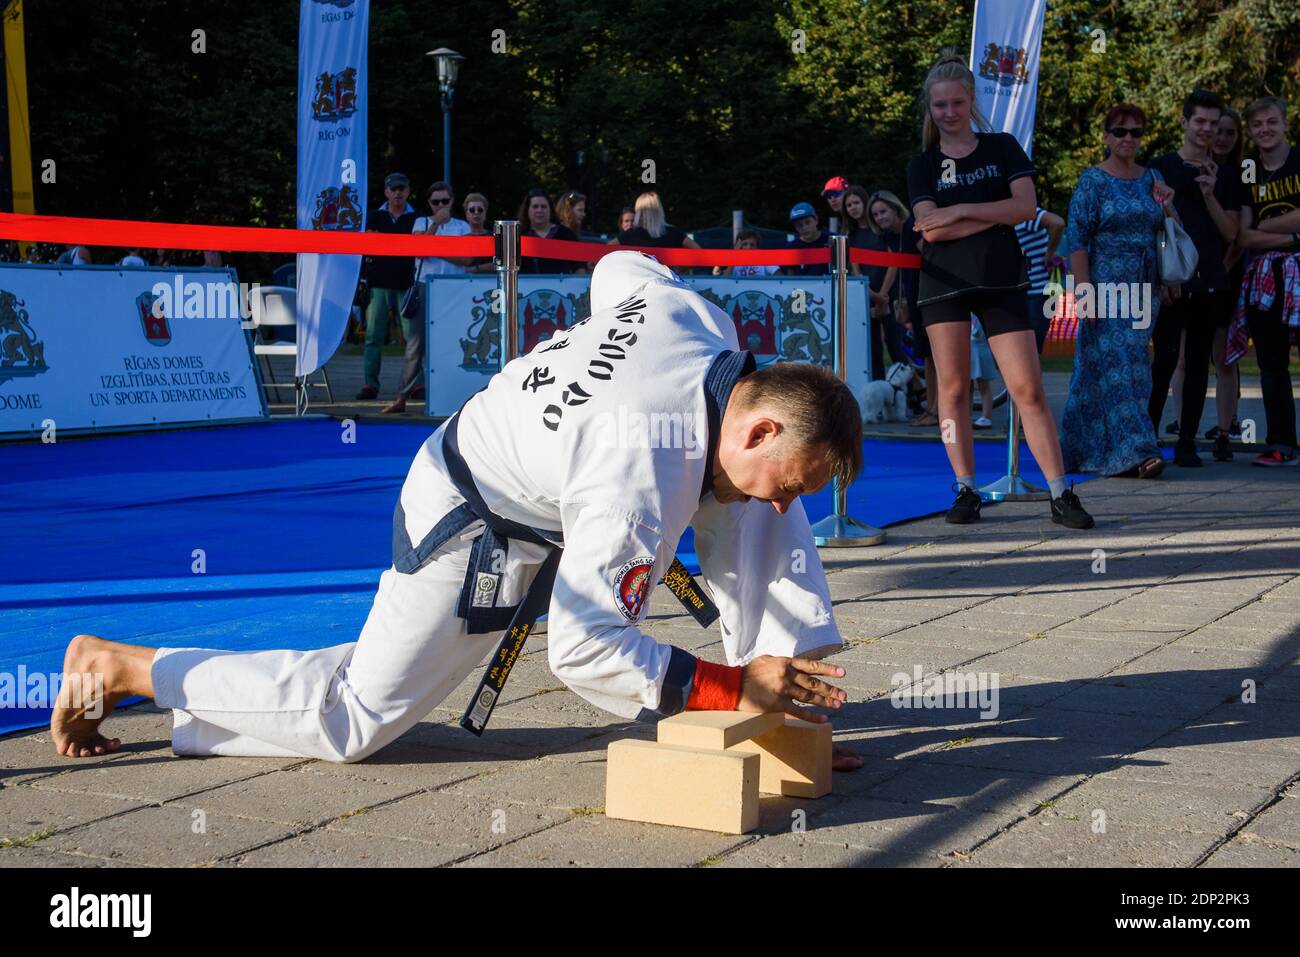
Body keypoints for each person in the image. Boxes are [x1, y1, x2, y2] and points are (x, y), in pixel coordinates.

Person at [50, 252, 866, 777]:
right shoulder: (639, 479)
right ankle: (125, 667)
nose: (789, 498)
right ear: (758, 423)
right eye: (790, 475)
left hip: (546, 468)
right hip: (468, 515)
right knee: (354, 717)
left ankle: (789, 707)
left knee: (757, 510)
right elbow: (583, 651)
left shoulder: (694, 317)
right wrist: (721, 687)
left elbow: (620, 265)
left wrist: (595, 342)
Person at [906, 53, 1093, 528]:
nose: (949, 112)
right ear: (930, 109)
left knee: (1028, 389)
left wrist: (957, 212)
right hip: (944, 282)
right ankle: (965, 488)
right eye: (940, 105)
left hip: (1002, 279)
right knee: (951, 390)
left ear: (972, 102)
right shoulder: (922, 165)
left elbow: (1024, 208)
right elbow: (931, 232)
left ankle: (1059, 491)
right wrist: (978, 212)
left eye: (957, 103)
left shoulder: (1002, 147)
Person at [1058, 104, 1176, 481]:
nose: (1128, 139)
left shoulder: (1153, 179)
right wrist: (1084, 292)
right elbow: (1076, 239)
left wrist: (1169, 204)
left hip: (1145, 284)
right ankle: (1138, 451)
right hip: (1105, 281)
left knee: (1122, 367)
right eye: (1120, 131)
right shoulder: (1092, 181)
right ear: (1107, 136)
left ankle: (1089, 450)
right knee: (1122, 368)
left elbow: (1171, 233)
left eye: (1136, 132)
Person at [1147, 91, 1242, 467]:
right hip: (1171, 280)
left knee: (1201, 361)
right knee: (1165, 360)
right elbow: (1151, 226)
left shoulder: (1226, 176)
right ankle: (1147, 436)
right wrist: (1159, 280)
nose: (1206, 130)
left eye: (1213, 123)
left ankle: (1187, 441)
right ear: (1184, 122)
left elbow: (1232, 233)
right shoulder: (1159, 167)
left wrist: (1209, 195)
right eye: (1199, 121)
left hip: (1209, 280)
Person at [1232, 96, 1300, 467]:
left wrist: (1264, 226)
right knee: (1272, 365)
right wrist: (1291, 235)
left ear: (1286, 123)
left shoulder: (1298, 160)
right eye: (1257, 125)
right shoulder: (1248, 169)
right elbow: (1243, 236)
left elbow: (1255, 228)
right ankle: (1281, 443)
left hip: (1298, 274)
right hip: (1265, 277)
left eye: (1272, 122)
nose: (1265, 130)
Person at [383, 181, 472, 415]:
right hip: (425, 287)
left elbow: (466, 260)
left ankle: (453, 396)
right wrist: (435, 227)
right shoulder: (420, 223)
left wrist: (434, 246)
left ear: (452, 201)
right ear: (429, 203)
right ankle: (401, 397)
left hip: (454, 288)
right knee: (415, 345)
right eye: (436, 202)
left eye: (445, 201)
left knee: (454, 343)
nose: (441, 206)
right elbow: (420, 251)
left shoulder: (462, 226)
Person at [357, 172, 418, 401]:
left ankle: (415, 383)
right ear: (386, 192)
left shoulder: (417, 218)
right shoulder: (373, 216)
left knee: (412, 338)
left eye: (402, 188)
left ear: (408, 191)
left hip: (406, 283)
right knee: (373, 336)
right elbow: (368, 246)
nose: (398, 193)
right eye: (393, 189)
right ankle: (370, 384)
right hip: (378, 284)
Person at [1207, 107, 1246, 453]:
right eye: (1217, 130)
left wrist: (1221, 267)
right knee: (1184, 359)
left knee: (1224, 358)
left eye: (1229, 132)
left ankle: (1224, 428)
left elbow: (1238, 238)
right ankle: (1181, 422)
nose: (1221, 137)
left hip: (1226, 277)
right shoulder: (1189, 169)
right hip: (1192, 275)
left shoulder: (1238, 177)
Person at [1014, 205, 1065, 353]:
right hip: (1025, 292)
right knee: (1025, 350)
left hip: (1038, 291)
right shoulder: (1005, 217)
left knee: (1030, 349)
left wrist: (1049, 253)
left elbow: (1058, 223)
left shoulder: (1024, 213)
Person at [518, 188, 581, 274]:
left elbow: (579, 268)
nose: (539, 210)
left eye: (543, 207)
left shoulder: (566, 235)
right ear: (527, 210)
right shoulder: (518, 236)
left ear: (550, 210)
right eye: (535, 206)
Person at [613, 191, 700, 252]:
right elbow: (698, 251)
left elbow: (605, 249)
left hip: (637, 278)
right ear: (659, 210)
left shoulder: (630, 234)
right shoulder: (673, 232)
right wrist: (680, 270)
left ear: (639, 212)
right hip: (665, 278)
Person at [781, 202, 830, 277]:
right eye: (799, 225)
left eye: (807, 222)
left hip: (831, 286)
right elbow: (790, 278)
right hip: (803, 288)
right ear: (795, 227)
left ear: (816, 220)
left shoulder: (832, 239)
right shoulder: (792, 247)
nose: (804, 227)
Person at [714, 228, 779, 278]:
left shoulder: (765, 259)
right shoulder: (732, 261)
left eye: (752, 245)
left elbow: (779, 276)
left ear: (757, 248)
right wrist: (735, 255)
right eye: (745, 244)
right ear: (738, 246)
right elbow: (725, 279)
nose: (748, 247)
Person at [462, 192, 495, 275]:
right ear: (466, 214)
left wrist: (473, 269)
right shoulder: (460, 238)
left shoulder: (494, 238)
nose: (476, 212)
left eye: (480, 210)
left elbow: (500, 264)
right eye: (472, 210)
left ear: (485, 213)